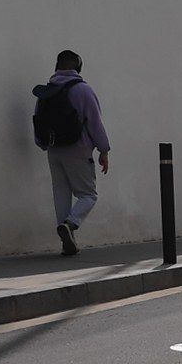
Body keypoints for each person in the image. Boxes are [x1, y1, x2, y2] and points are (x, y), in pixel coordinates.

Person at [32, 50, 111, 256]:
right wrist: (104, 149)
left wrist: (42, 144)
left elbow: (38, 119)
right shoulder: (83, 90)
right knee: (88, 195)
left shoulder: (47, 92)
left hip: (54, 150)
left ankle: (66, 238)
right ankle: (71, 224)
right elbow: (95, 122)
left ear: (57, 66)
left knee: (61, 193)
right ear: (78, 68)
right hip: (78, 149)